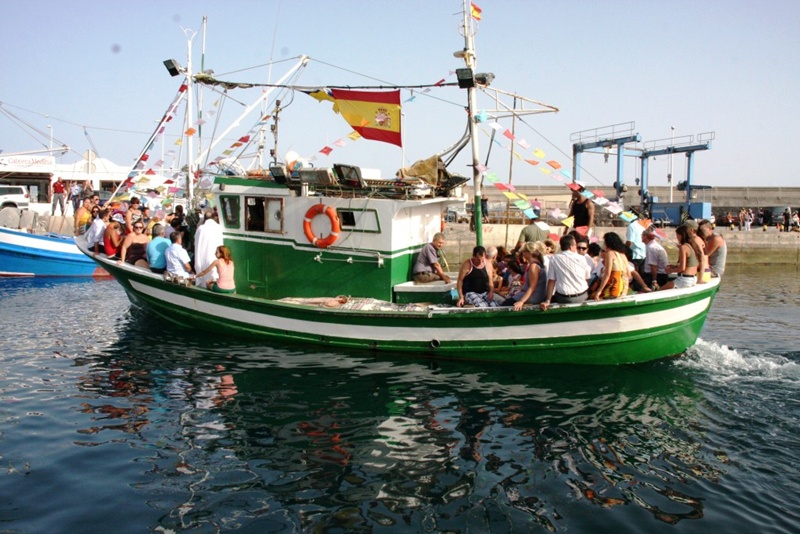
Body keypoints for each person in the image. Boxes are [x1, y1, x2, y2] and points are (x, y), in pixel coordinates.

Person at [539, 234, 591, 310]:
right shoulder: (582, 258)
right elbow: (587, 278)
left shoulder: (554, 259)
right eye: (575, 245)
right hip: (582, 296)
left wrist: (548, 300)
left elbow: (551, 281)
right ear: (571, 246)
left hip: (563, 298)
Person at [502, 241, 547, 310]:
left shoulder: (534, 266)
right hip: (532, 294)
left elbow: (532, 287)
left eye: (524, 251)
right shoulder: (538, 264)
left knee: (504, 306)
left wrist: (521, 301)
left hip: (534, 296)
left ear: (530, 253)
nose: (522, 253)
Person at [591, 232, 629, 300]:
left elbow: (607, 274)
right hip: (624, 289)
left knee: (592, 296)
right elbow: (629, 274)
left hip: (614, 288)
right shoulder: (623, 255)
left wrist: (599, 291)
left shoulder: (610, 253)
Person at [660, 225, 699, 290]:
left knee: (660, 290)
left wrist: (670, 271)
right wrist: (675, 266)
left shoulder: (683, 247)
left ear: (681, 235)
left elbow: (682, 268)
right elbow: (688, 264)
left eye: (677, 235)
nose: (676, 237)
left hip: (684, 279)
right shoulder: (692, 245)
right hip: (693, 278)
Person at [194, 209, 224, 287]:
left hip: (203, 257)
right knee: (214, 276)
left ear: (204, 219)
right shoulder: (219, 228)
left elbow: (196, 243)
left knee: (204, 278)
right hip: (215, 258)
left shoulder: (201, 228)